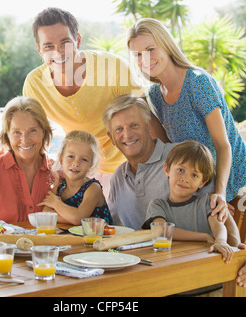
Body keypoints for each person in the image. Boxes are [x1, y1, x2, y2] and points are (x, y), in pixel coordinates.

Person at [0, 7, 144, 197]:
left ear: (77, 40)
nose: (58, 52)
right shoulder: (35, 84)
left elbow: (146, 119)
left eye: (65, 43)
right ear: (39, 50)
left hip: (127, 168)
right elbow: (24, 133)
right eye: (48, 46)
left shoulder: (113, 67)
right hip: (79, 171)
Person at [127, 18, 246, 207]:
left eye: (150, 49)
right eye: (138, 54)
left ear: (166, 44)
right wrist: (144, 108)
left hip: (233, 181)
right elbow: (169, 148)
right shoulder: (155, 95)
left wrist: (220, 193)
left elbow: (223, 145)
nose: (145, 59)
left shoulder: (197, 82)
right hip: (199, 183)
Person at [102, 94, 226, 230]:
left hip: (192, 249)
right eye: (119, 129)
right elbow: (114, 229)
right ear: (111, 138)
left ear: (149, 127)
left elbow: (218, 213)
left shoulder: (183, 157)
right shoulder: (117, 179)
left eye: (134, 125)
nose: (127, 135)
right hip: (138, 250)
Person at [143, 140, 245, 263]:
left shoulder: (206, 203)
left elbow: (219, 226)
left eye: (194, 175)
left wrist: (220, 241)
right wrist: (204, 237)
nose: (185, 179)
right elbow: (162, 231)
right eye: (181, 170)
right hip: (169, 265)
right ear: (167, 169)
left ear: (202, 182)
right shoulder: (158, 205)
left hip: (203, 266)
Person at [0, 96, 56, 223]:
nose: (25, 140)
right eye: (16, 132)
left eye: (32, 130)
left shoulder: (60, 174)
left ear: (44, 132)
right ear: (7, 135)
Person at [38, 130, 113, 225]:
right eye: (71, 156)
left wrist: (56, 204)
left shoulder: (93, 188)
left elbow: (77, 218)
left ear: (91, 165)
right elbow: (46, 213)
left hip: (103, 238)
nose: (76, 163)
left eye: (84, 159)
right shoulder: (60, 186)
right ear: (61, 159)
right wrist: (86, 221)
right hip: (75, 239)